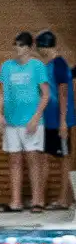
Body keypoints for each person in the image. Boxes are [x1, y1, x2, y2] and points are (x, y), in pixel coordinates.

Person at [0, 32, 50, 212]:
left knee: (33, 161)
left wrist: (36, 117)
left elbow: (46, 95)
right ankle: (16, 201)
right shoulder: (6, 66)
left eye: (21, 45)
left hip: (31, 122)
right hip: (12, 122)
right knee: (14, 161)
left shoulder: (37, 66)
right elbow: (2, 93)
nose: (17, 49)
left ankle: (37, 201)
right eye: (16, 45)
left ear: (29, 48)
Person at [42, 31, 72, 209]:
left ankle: (64, 199)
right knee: (43, 157)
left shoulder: (58, 64)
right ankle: (41, 198)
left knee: (64, 158)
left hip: (59, 121)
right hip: (47, 121)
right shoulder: (49, 65)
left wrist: (63, 122)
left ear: (45, 47)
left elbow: (63, 94)